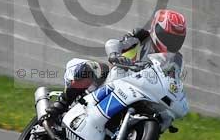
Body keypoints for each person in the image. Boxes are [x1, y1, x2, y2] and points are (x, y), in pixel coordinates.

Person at [47, 9, 187, 117]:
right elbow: (116, 43)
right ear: (156, 29)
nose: (171, 42)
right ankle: (61, 105)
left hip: (143, 90)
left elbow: (172, 81)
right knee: (93, 69)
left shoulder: (175, 60)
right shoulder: (142, 36)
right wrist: (115, 54)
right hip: (117, 77)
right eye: (168, 36)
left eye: (176, 39)